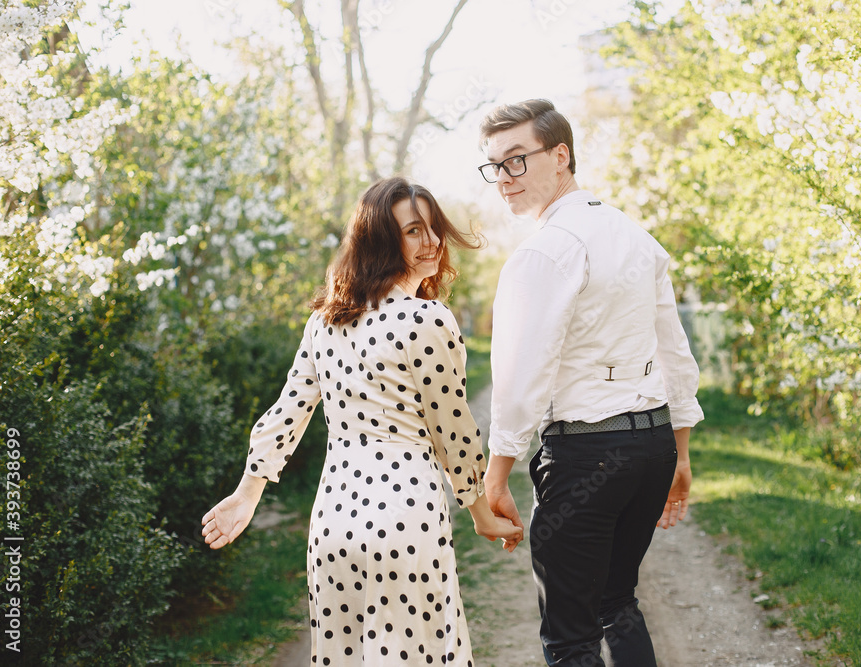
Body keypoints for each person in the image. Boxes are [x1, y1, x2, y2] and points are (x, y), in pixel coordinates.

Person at [201, 177, 523, 666]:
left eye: (433, 228)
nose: (433, 242)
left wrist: (249, 492)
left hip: (334, 522)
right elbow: (454, 433)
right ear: (381, 241)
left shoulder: (324, 322)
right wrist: (481, 514)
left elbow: (287, 411)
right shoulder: (427, 319)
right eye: (414, 231)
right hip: (405, 517)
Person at [477, 99, 704, 666]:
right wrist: (678, 453)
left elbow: (520, 376)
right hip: (649, 448)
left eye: (517, 160)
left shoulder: (545, 251)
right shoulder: (636, 235)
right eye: (494, 166)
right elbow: (674, 352)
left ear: (561, 156)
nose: (504, 179)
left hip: (586, 453)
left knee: (570, 635)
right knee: (617, 602)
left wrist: (497, 473)